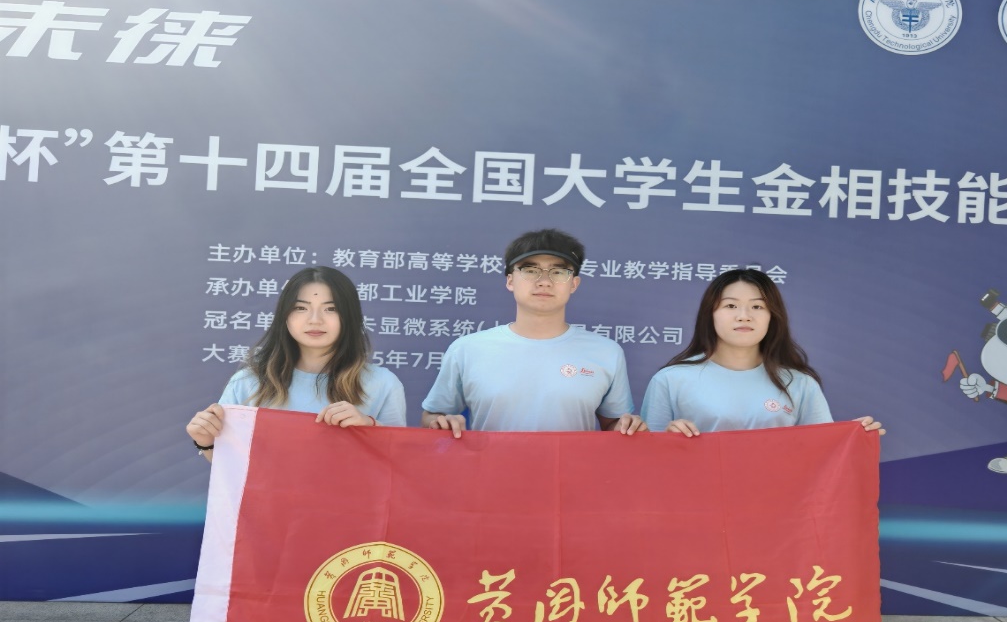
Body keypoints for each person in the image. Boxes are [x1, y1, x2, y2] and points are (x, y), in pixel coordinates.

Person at [421, 228, 645, 437]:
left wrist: (626, 426)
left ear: (574, 284)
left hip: (571, 468)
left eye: (558, 272)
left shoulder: (606, 352)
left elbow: (613, 424)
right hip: (491, 467)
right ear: (510, 280)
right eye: (530, 270)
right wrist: (439, 422)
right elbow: (433, 415)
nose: (544, 282)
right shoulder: (467, 349)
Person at [186, 266, 406, 461]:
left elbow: (398, 463)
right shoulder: (248, 382)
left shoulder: (383, 383)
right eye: (301, 308)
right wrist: (205, 441)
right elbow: (231, 467)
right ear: (285, 316)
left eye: (331, 309)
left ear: (350, 317)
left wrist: (369, 427)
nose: (315, 319)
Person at [641, 268, 883, 436]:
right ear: (710, 314)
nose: (744, 315)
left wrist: (852, 436)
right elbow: (649, 460)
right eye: (730, 305)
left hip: (779, 497)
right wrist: (669, 438)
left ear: (772, 317)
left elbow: (824, 455)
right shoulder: (670, 380)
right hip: (696, 496)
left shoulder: (800, 384)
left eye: (757, 306)